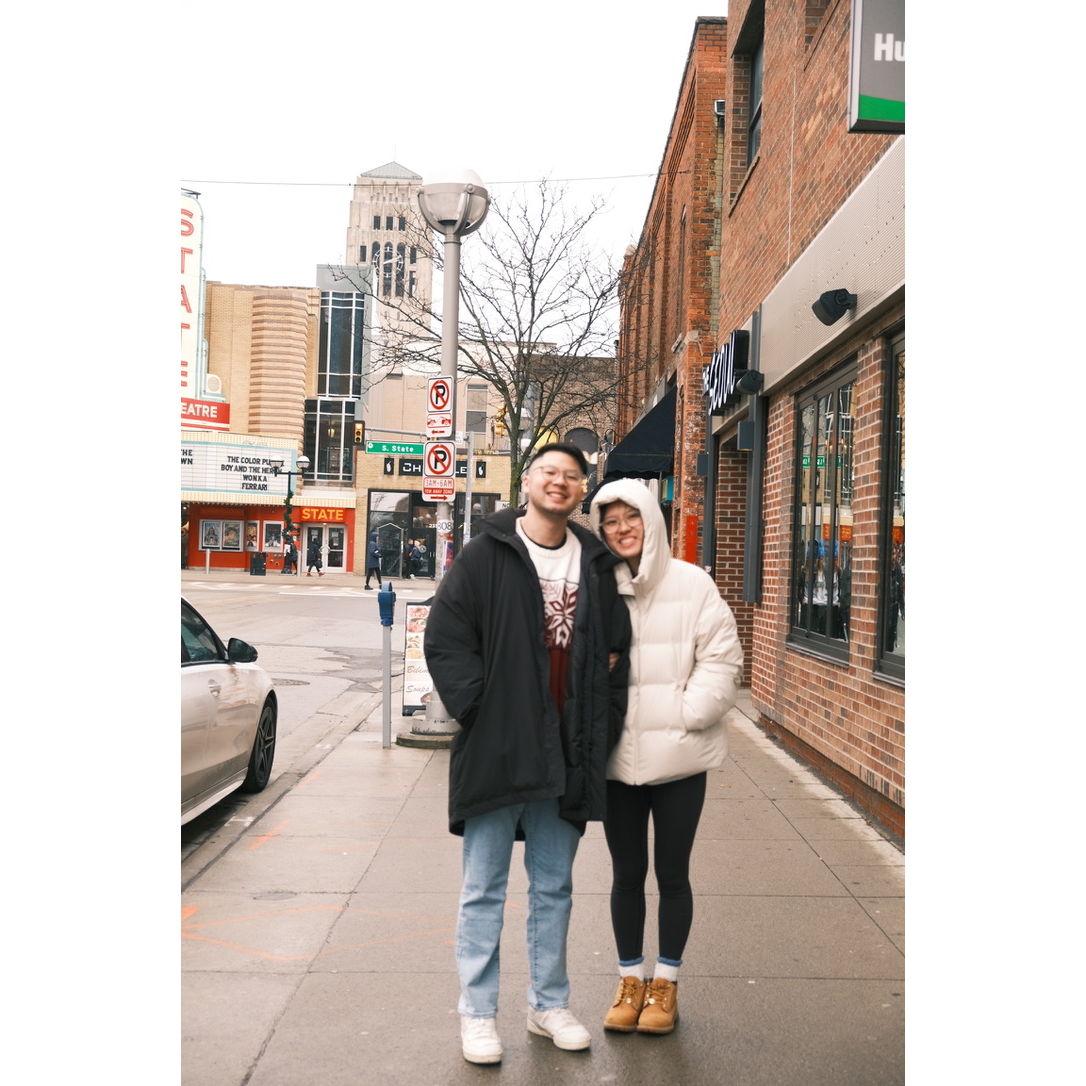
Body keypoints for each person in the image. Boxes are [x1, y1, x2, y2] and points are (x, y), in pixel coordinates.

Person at [424, 443, 631, 1066]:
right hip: (499, 747)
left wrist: (602, 726)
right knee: (483, 888)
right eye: (548, 472)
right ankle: (477, 1013)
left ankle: (549, 1004)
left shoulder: (595, 562)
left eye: (571, 475)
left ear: (582, 489)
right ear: (528, 483)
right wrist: (481, 711)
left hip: (567, 750)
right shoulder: (487, 553)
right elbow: (446, 637)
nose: (559, 482)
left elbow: (617, 653)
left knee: (554, 888)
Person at [588, 478, 744, 1036]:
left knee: (673, 873)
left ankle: (666, 984)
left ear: (651, 520)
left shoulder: (692, 584)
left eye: (631, 517)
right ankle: (630, 979)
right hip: (617, 761)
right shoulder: (597, 587)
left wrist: (687, 714)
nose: (622, 529)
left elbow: (722, 659)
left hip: (679, 758)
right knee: (626, 873)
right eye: (610, 521)